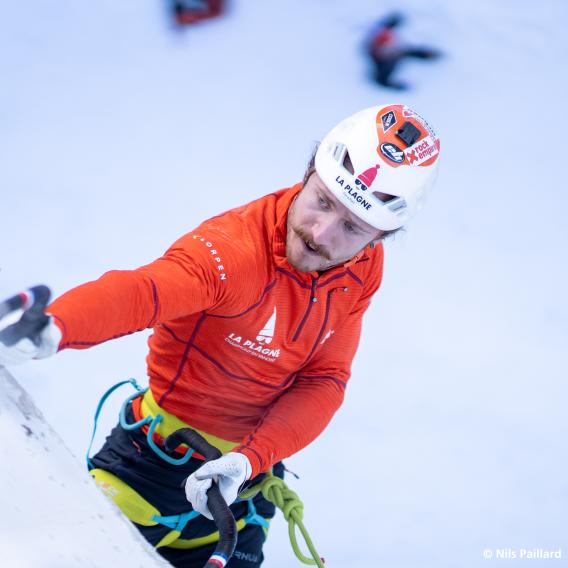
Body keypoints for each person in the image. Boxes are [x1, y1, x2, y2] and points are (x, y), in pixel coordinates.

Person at [0, 103, 440, 567]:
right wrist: (58, 326)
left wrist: (250, 460)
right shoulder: (233, 253)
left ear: (379, 238)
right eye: (323, 201)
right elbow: (146, 290)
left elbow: (323, 379)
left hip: (241, 486)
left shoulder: (363, 268)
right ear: (309, 173)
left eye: (352, 227)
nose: (321, 232)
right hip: (151, 466)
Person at [368, 12, 442, 90]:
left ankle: (429, 55)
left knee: (404, 53)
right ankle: (429, 55)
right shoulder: (382, 59)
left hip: (386, 53)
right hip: (383, 58)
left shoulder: (384, 36)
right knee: (404, 53)